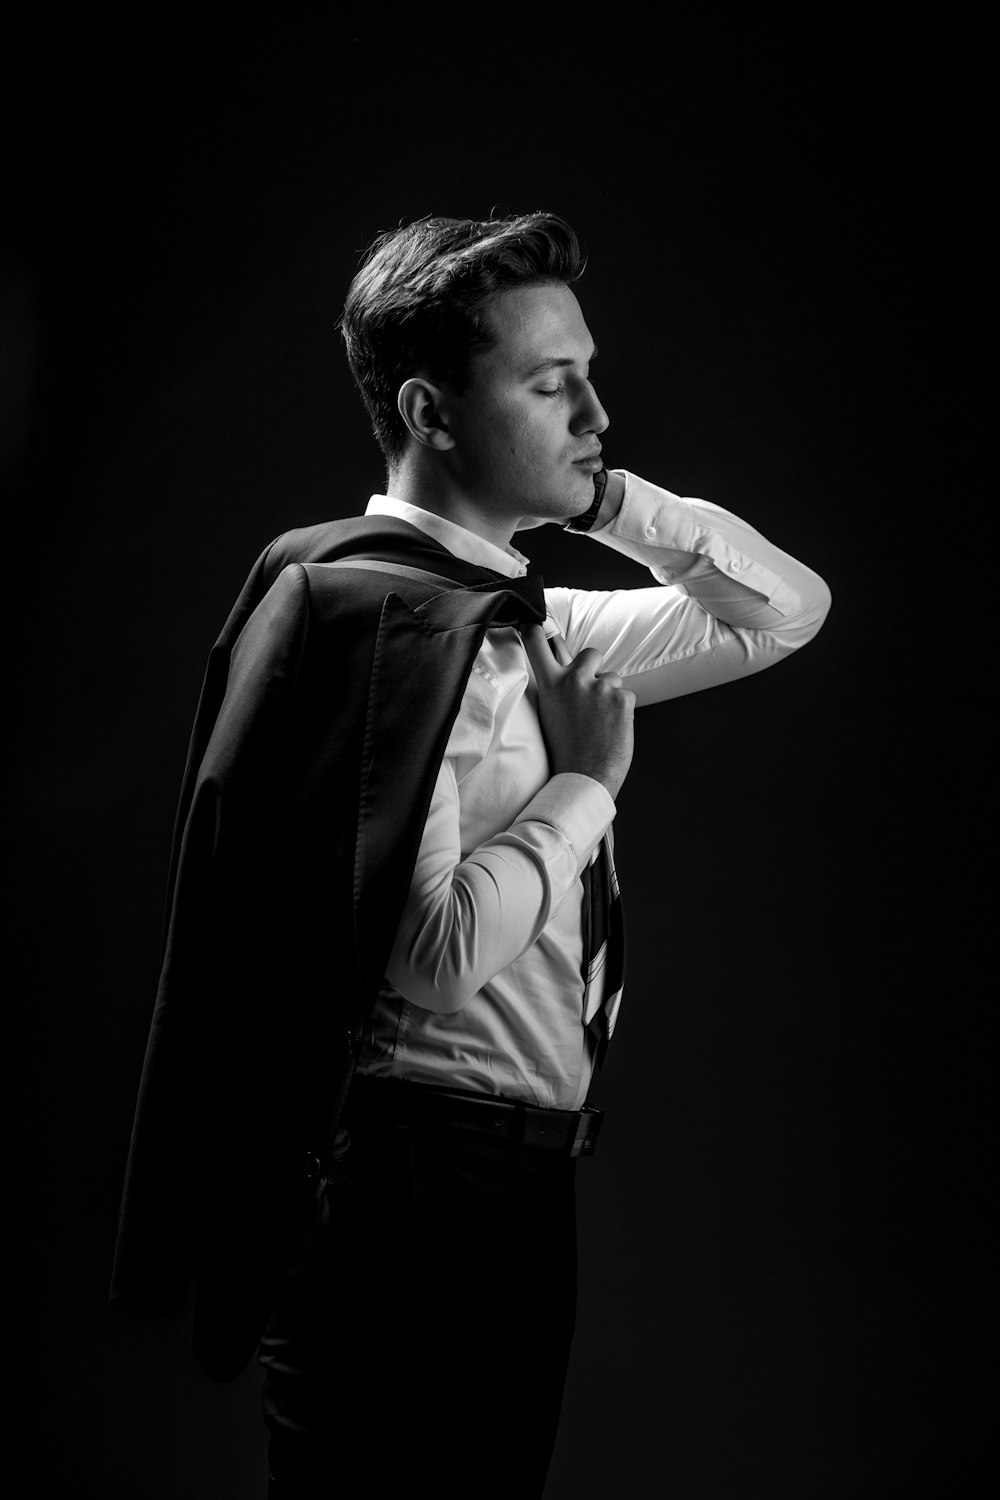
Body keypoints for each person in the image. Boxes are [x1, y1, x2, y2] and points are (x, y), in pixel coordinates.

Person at [111, 212, 831, 1498]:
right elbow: (435, 959)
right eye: (551, 386)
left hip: (509, 1182)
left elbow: (784, 612)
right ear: (430, 412)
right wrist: (582, 784)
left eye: (590, 375)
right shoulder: (373, 615)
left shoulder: (524, 620)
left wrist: (608, 500)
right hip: (403, 1188)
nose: (595, 410)